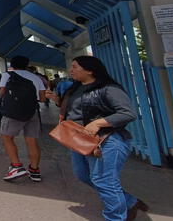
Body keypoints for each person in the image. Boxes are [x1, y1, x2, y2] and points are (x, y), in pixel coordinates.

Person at [46, 56, 148, 221]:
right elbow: (76, 110)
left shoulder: (108, 88)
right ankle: (130, 202)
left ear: (90, 70)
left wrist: (99, 123)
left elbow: (128, 113)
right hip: (79, 139)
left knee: (103, 180)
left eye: (75, 67)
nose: (71, 70)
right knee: (83, 175)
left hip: (105, 140)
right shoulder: (75, 88)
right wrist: (57, 100)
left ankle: (115, 217)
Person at [0, 55, 46, 182]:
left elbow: (1, 93)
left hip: (13, 112)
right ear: (26, 65)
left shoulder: (8, 75)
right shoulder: (36, 77)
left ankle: (16, 166)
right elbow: (42, 98)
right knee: (32, 141)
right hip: (32, 112)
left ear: (12, 64)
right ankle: (35, 170)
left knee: (7, 137)